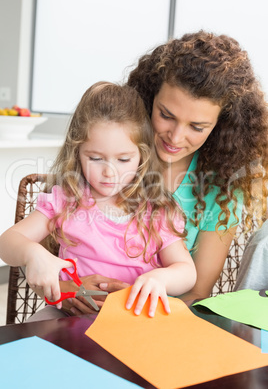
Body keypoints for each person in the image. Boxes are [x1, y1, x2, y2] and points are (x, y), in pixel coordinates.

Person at [57, 30, 268, 316]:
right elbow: (49, 257)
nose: (176, 137)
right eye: (166, 115)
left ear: (222, 126)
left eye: (197, 126)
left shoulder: (221, 191)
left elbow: (196, 292)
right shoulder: (110, 160)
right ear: (149, 97)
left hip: (156, 323)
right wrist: (68, 293)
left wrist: (133, 305)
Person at [0, 82, 196, 320]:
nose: (109, 172)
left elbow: (187, 272)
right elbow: (7, 242)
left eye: (123, 159)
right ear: (77, 153)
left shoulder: (156, 209)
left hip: (135, 319)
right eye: (95, 158)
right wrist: (32, 253)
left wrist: (159, 279)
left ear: (142, 157)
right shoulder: (66, 199)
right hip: (69, 317)